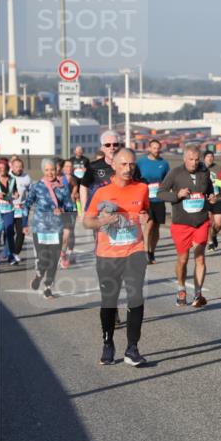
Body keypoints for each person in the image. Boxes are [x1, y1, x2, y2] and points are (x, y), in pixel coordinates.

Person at [82, 148, 150, 367]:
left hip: (134, 250)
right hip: (108, 254)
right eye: (123, 164)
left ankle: (132, 348)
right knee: (109, 301)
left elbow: (146, 213)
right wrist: (103, 222)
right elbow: (87, 221)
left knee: (136, 297)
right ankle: (108, 342)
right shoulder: (102, 192)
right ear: (114, 165)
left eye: (131, 164)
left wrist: (145, 218)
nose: (128, 168)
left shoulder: (142, 189)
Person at [157, 146, 216, 307]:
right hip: (181, 223)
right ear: (184, 159)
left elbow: (210, 191)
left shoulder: (204, 172)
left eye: (197, 159)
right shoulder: (175, 173)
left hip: (201, 221)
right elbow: (160, 193)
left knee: (200, 257)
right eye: (191, 159)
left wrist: (211, 197)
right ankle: (181, 288)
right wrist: (177, 195)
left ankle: (198, 294)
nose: (194, 162)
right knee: (183, 259)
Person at [23, 158, 72, 298]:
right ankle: (38, 276)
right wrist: (24, 224)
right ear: (43, 171)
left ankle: (48, 287)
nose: (50, 173)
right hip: (40, 228)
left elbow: (70, 207)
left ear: (57, 170)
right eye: (47, 170)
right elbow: (27, 204)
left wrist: (62, 209)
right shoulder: (36, 186)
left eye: (52, 170)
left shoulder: (62, 187)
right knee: (44, 259)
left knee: (53, 260)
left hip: (56, 228)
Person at [137, 138, 171, 264]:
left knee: (156, 227)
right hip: (146, 198)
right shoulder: (141, 162)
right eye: (154, 148)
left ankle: (152, 252)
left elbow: (168, 179)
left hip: (159, 197)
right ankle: (145, 251)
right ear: (149, 149)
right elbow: (135, 178)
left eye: (158, 148)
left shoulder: (164, 163)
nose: (156, 151)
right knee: (149, 224)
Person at [0, 158, 20, 265]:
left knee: (9, 232)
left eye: (3, 168)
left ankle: (11, 256)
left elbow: (15, 192)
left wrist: (16, 194)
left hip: (9, 209)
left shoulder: (12, 179)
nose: (1, 170)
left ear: (7, 169)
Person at [57, 159, 79, 268]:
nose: (68, 168)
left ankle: (66, 254)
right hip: (61, 209)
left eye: (70, 166)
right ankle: (62, 254)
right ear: (62, 168)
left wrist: (73, 194)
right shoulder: (58, 178)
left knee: (69, 231)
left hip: (71, 208)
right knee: (63, 232)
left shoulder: (72, 178)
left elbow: (75, 186)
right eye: (66, 166)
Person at [202, 150, 221, 252]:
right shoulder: (200, 168)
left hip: (217, 198)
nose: (210, 158)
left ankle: (213, 235)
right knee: (209, 222)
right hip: (205, 199)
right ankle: (210, 243)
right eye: (208, 157)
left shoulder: (218, 168)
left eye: (212, 156)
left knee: (219, 223)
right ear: (204, 158)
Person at [9, 156, 32, 259]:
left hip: (21, 208)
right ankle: (8, 251)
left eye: (20, 166)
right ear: (12, 167)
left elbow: (31, 191)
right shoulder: (7, 176)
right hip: (8, 208)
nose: (18, 168)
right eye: (16, 166)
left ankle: (15, 253)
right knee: (8, 231)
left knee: (21, 232)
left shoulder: (26, 177)